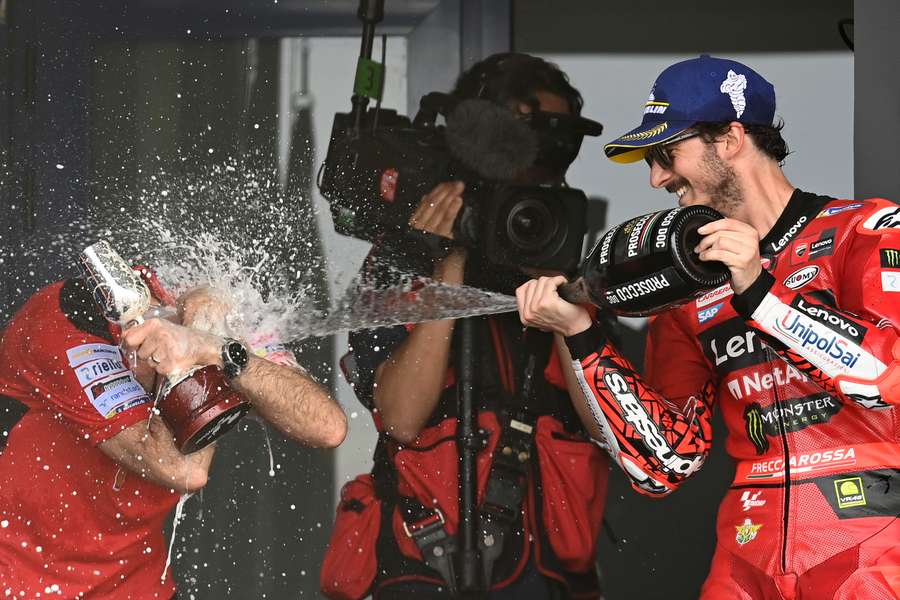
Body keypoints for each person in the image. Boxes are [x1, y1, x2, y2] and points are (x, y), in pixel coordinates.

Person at [516, 54, 900, 599]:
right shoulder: (689, 289)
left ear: (731, 139)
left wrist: (761, 294)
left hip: (872, 544)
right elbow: (663, 463)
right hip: (748, 550)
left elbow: (889, 379)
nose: (656, 178)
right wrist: (581, 334)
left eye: (666, 154)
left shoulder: (866, 230)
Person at [321, 53, 609, 600]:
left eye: (558, 153)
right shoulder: (401, 259)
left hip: (546, 573)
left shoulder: (559, 256)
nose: (543, 170)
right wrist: (447, 262)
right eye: (531, 147)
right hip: (421, 565)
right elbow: (402, 417)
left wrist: (563, 297)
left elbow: (606, 423)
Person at [0, 268, 347, 598]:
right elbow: (182, 469)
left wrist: (214, 345)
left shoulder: (204, 311)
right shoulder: (68, 321)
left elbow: (327, 425)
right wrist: (191, 363)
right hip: (25, 584)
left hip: (139, 586)